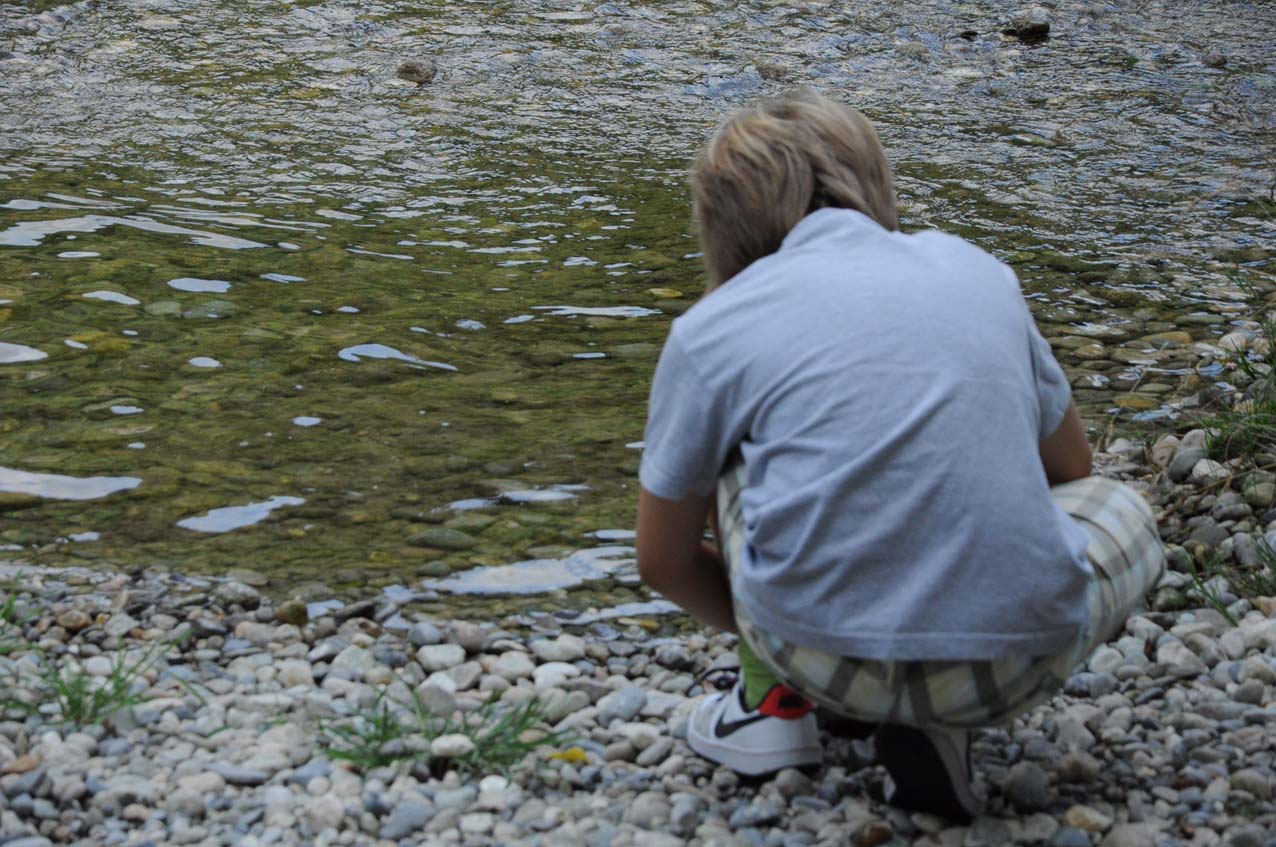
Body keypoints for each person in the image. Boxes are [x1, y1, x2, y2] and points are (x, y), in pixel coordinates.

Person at [634, 90, 1165, 820]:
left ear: (721, 228)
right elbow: (1071, 471)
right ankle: (936, 718)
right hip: (1016, 661)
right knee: (1122, 505)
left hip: (818, 653)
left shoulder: (712, 328)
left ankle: (770, 704)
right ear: (875, 184)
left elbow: (660, 562)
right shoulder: (980, 272)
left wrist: (786, 628)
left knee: (737, 449)